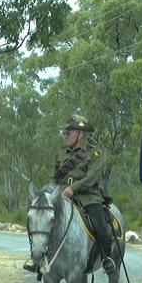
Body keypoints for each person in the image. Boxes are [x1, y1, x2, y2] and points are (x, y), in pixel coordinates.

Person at [23, 115, 116, 274]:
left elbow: (92, 177)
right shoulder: (62, 153)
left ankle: (107, 258)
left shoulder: (94, 153)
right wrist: (50, 190)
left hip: (88, 197)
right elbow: (55, 176)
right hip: (62, 196)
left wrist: (73, 188)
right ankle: (38, 258)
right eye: (65, 133)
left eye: (69, 133)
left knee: (101, 226)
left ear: (80, 134)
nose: (65, 136)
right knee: (41, 219)